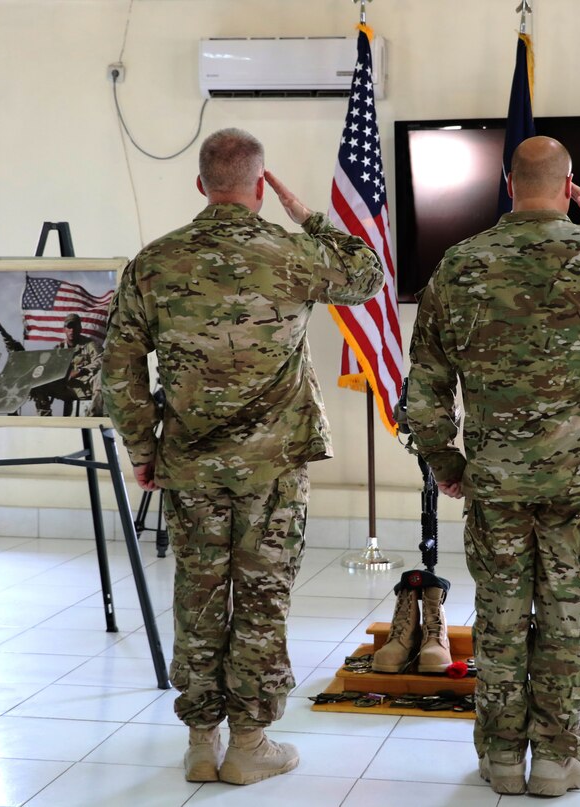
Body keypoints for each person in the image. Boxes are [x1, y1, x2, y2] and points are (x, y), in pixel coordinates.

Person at [404, 136, 580, 798]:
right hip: (576, 487)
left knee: (501, 617)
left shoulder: (461, 264)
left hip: (495, 484)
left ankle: (502, 758)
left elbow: (423, 388)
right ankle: (558, 761)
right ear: (568, 188)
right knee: (566, 617)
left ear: (510, 185)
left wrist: (447, 461)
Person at [100, 127, 382, 786]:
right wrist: (308, 214)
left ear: (201, 185)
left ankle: (202, 739)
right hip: (273, 466)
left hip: (190, 466)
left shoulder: (156, 262)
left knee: (198, 592)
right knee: (261, 595)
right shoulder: (290, 253)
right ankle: (249, 739)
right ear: (259, 187)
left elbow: (118, 363)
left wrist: (144, 446)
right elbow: (366, 274)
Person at [28, 313, 103, 416]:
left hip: (86, 388)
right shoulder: (59, 349)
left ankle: (94, 415)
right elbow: (48, 369)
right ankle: (44, 417)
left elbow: (102, 360)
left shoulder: (90, 344)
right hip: (67, 389)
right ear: (65, 329)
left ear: (80, 328)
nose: (72, 330)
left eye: (75, 327)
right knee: (39, 381)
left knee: (101, 375)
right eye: (69, 327)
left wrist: (82, 371)